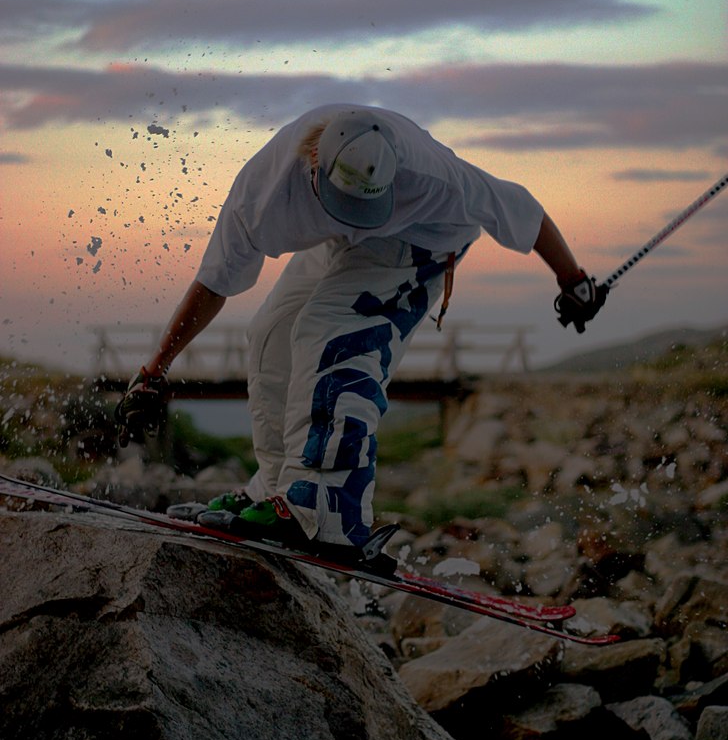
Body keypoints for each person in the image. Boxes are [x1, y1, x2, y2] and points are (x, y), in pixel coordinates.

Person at [115, 104, 606, 561]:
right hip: (339, 242)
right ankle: (277, 489)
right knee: (270, 334)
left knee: (330, 328)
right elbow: (214, 282)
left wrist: (573, 280)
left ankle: (329, 509)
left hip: (423, 241)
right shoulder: (263, 194)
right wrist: (154, 370)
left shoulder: (433, 176)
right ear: (313, 164)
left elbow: (524, 210)